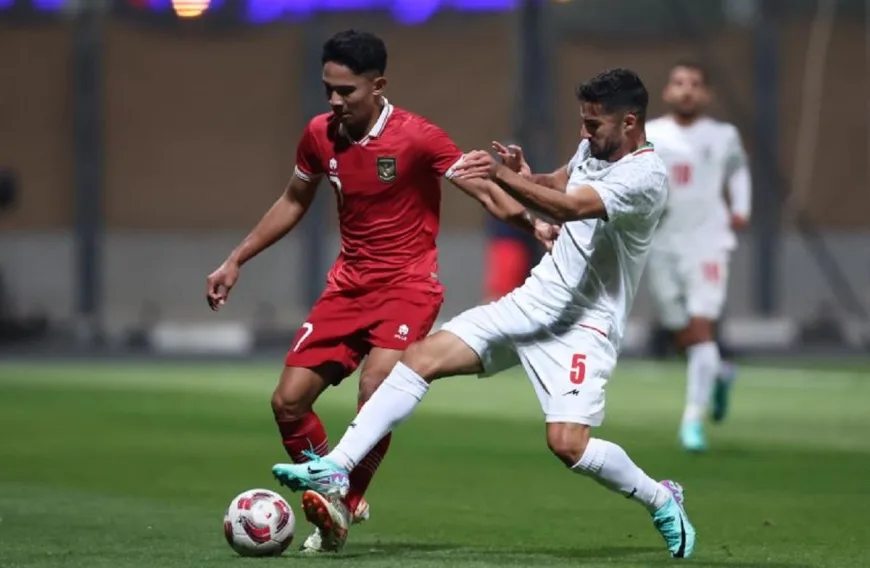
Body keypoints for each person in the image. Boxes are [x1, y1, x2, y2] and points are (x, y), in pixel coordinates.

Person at [272, 68, 697, 559]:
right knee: (420, 358)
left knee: (568, 444)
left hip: (584, 324)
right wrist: (524, 175)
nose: (584, 132)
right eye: (583, 121)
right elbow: (558, 184)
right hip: (533, 301)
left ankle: (661, 498)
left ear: (629, 122)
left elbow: (568, 207)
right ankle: (337, 467)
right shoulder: (595, 149)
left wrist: (498, 176)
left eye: (593, 124)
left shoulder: (645, 177)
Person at [205, 30, 553, 554]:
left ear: (378, 85)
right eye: (328, 88)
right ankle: (333, 494)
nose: (334, 100)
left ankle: (345, 501)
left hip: (409, 287)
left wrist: (535, 225)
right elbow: (293, 200)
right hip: (347, 288)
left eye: (346, 90)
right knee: (287, 402)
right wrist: (236, 260)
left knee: (376, 389)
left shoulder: (417, 137)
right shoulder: (319, 135)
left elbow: (484, 190)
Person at [645, 61, 752, 452]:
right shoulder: (651, 135)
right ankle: (719, 373)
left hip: (708, 242)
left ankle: (692, 420)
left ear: (706, 94)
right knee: (681, 333)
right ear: (667, 91)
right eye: (679, 83)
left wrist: (740, 207)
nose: (686, 90)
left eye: (694, 84)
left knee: (701, 326)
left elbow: (738, 171)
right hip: (661, 241)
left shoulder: (723, 136)